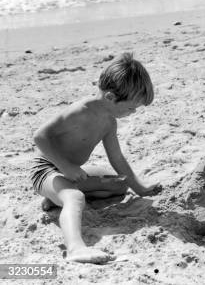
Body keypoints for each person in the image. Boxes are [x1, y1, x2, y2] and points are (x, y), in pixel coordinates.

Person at [31, 53, 161, 264]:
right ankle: (76, 248)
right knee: (76, 198)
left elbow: (117, 158)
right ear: (110, 97)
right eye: (130, 108)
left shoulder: (109, 122)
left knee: (119, 185)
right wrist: (65, 166)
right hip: (46, 169)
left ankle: (57, 196)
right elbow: (40, 136)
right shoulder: (79, 112)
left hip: (68, 172)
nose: (133, 113)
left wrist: (140, 188)